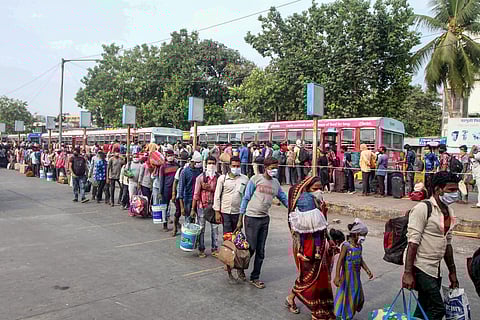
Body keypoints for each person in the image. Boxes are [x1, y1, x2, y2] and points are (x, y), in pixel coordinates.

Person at [402, 171, 459, 319]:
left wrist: (452, 272)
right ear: (438, 189)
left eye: (456, 190)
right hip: (421, 266)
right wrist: (408, 273)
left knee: (424, 307)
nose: (455, 193)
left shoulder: (449, 211)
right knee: (438, 309)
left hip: (435, 267)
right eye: (451, 190)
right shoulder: (423, 208)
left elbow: (447, 244)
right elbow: (413, 242)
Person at [286, 176, 335, 320]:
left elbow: (322, 225)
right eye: (315, 188)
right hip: (307, 247)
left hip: (320, 245)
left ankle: (296, 299)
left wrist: (329, 241)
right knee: (308, 278)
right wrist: (309, 249)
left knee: (319, 278)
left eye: (321, 188)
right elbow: (305, 230)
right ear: (308, 189)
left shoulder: (318, 201)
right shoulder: (305, 203)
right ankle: (314, 310)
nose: (319, 191)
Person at [238, 157, 288, 289]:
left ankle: (255, 277)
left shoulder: (276, 183)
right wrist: (240, 219)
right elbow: (246, 198)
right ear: (265, 168)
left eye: (276, 168)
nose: (274, 170)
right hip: (251, 217)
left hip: (264, 219)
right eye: (272, 168)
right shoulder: (255, 179)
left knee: (261, 250)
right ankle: (240, 268)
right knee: (251, 247)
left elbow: (284, 199)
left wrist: (295, 208)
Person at [213, 156, 249, 281]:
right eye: (233, 166)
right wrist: (217, 212)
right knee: (228, 238)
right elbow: (217, 196)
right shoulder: (222, 179)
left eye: (238, 166)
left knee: (238, 240)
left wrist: (243, 215)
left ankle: (239, 266)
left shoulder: (245, 179)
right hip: (225, 212)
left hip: (238, 213)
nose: (236, 168)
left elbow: (246, 197)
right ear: (229, 166)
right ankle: (227, 261)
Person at [333, 219, 373, 320]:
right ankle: (344, 316)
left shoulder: (359, 246)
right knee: (345, 297)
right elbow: (340, 261)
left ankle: (349, 314)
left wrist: (367, 270)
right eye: (362, 235)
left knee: (357, 297)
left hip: (356, 278)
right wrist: (337, 276)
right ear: (355, 234)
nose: (364, 238)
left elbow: (360, 260)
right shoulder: (346, 246)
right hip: (346, 277)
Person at [192, 156, 219, 258]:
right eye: (209, 163)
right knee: (201, 229)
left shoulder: (219, 177)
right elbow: (196, 194)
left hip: (214, 208)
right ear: (206, 164)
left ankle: (214, 248)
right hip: (202, 206)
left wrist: (211, 188)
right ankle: (201, 249)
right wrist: (192, 209)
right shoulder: (200, 178)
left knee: (215, 229)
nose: (211, 165)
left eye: (213, 163)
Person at [157, 150, 178, 231]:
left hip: (175, 190)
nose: (170, 157)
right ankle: (165, 225)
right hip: (166, 189)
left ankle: (177, 222)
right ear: (166, 156)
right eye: (169, 155)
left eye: (171, 155)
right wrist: (160, 192)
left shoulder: (177, 165)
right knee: (164, 208)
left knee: (178, 207)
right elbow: (161, 180)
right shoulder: (163, 167)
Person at [178, 152, 203, 219]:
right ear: (192, 161)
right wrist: (182, 207)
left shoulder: (200, 171)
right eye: (197, 162)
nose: (198, 164)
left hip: (198, 199)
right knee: (188, 220)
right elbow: (181, 189)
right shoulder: (184, 172)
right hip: (188, 199)